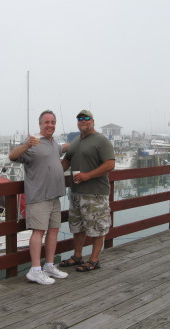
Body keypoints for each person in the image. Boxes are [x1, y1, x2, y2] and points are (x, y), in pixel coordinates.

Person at [9, 110, 69, 285]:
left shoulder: (53, 144)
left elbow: (63, 148)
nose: (50, 125)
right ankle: (35, 270)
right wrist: (27, 144)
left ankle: (49, 266)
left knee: (54, 231)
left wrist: (77, 142)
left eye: (52, 122)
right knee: (38, 232)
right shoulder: (33, 142)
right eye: (46, 122)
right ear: (40, 124)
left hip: (54, 195)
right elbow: (12, 156)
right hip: (39, 196)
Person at [59, 110, 115, 271]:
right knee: (78, 227)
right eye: (80, 119)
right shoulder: (76, 141)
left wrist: (87, 176)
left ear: (93, 121)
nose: (83, 121)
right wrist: (50, 172)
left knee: (98, 227)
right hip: (76, 192)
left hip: (96, 192)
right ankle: (77, 256)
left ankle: (94, 259)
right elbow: (66, 162)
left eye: (86, 118)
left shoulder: (101, 140)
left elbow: (110, 164)